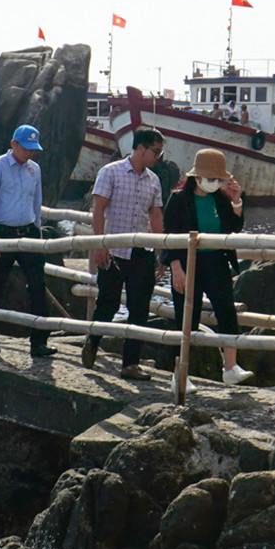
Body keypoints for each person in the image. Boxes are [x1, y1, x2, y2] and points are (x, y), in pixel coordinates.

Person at [163, 147, 251, 386]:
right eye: (211, 179)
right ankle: (180, 374)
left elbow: (234, 227)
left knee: (226, 311)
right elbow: (169, 235)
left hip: (217, 262)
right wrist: (176, 269)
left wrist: (236, 201)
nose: (215, 183)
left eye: (218, 179)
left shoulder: (220, 198)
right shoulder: (179, 199)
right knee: (186, 317)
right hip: (188, 262)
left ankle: (231, 367)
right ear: (196, 177)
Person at [88, 128, 166, 376]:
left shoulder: (154, 180)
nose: (158, 157)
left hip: (142, 252)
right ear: (140, 148)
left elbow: (155, 216)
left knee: (139, 308)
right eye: (155, 151)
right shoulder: (110, 172)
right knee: (107, 304)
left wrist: (161, 252)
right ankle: (93, 340)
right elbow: (98, 209)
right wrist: (100, 245)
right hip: (115, 250)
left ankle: (130, 364)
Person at [0, 123, 53, 357]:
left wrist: (38, 230)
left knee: (37, 285)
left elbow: (36, 202)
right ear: (14, 144)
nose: (30, 153)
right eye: (26, 148)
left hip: (29, 232)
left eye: (33, 149)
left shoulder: (35, 169)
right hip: (3, 233)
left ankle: (39, 341)